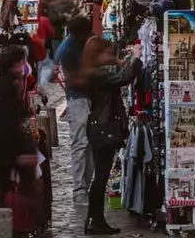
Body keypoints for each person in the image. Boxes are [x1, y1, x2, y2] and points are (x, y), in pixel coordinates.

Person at [83, 38, 142, 235]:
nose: (111, 56)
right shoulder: (97, 73)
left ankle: (95, 219)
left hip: (100, 127)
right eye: (108, 53)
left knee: (100, 175)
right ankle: (94, 220)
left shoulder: (96, 71)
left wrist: (124, 61)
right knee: (100, 176)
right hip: (102, 128)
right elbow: (122, 78)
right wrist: (136, 58)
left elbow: (118, 75)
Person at [0, 46, 39, 208]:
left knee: (3, 186)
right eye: (21, 64)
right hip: (6, 147)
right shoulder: (9, 85)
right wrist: (23, 150)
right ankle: (22, 222)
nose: (23, 68)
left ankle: (3, 222)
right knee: (23, 185)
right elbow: (9, 121)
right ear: (13, 65)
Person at [57, 16, 94, 210]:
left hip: (86, 97)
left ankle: (87, 185)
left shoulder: (83, 42)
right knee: (80, 143)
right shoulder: (68, 50)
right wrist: (95, 77)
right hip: (77, 99)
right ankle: (80, 189)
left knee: (89, 143)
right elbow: (72, 80)